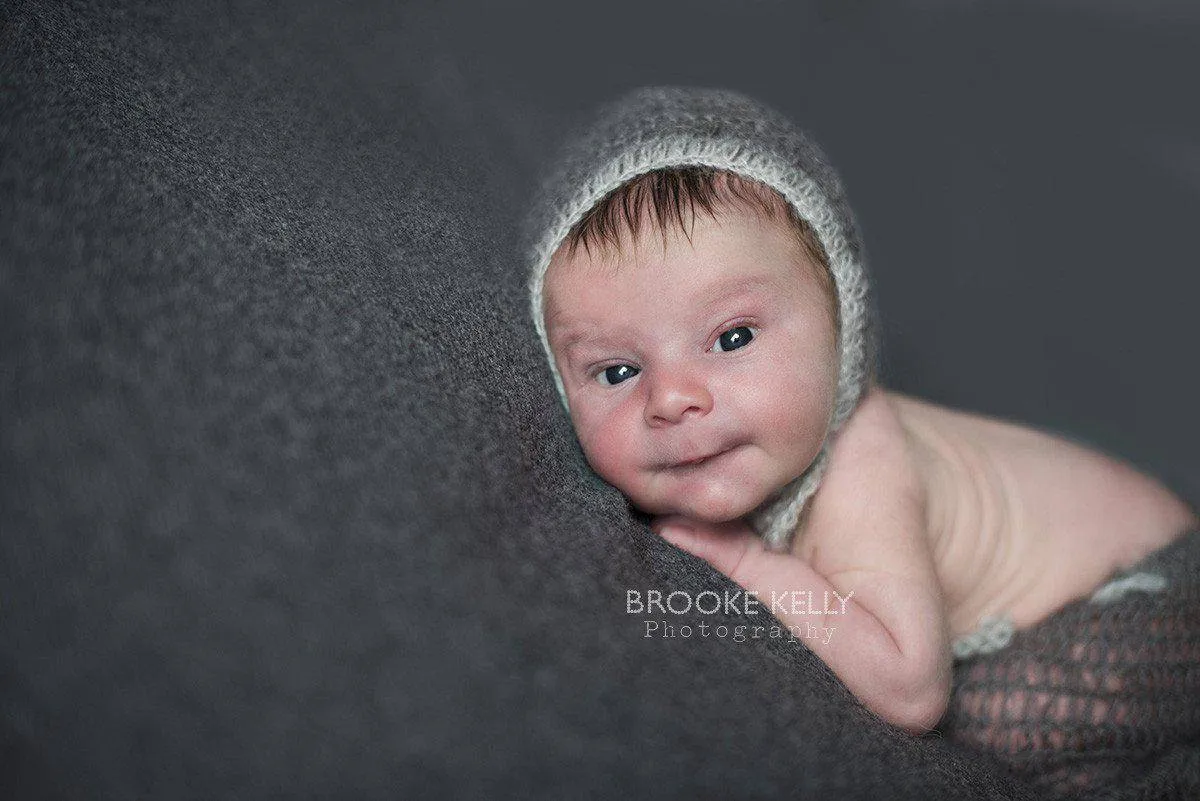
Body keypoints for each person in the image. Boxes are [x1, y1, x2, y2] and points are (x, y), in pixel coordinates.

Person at [523, 86, 1198, 738]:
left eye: (733, 337)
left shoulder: (862, 470)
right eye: (618, 371)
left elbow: (910, 690)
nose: (671, 398)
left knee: (1007, 720)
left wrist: (754, 565)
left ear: (841, 327)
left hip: (1153, 593)